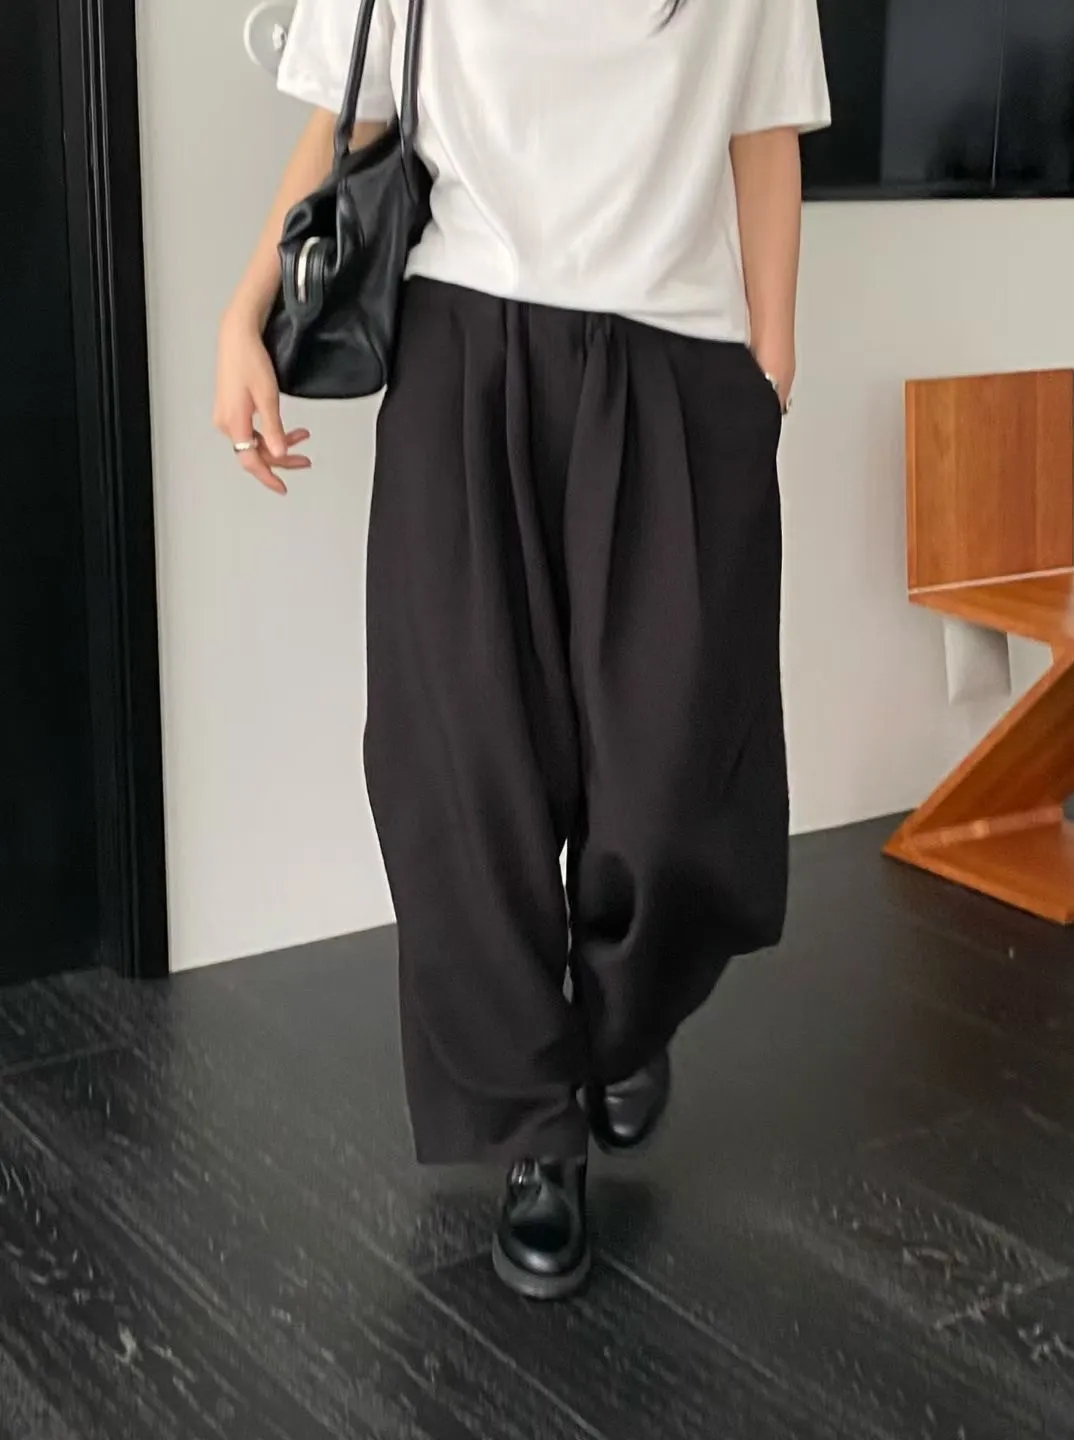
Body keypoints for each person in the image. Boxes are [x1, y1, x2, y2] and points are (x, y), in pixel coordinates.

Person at [215, 0, 830, 1301]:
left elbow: (765, 134)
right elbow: (348, 124)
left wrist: (770, 367)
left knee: (674, 774)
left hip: (679, 363)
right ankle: (532, 1131)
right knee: (463, 768)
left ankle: (624, 1017)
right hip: (464, 352)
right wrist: (244, 313)